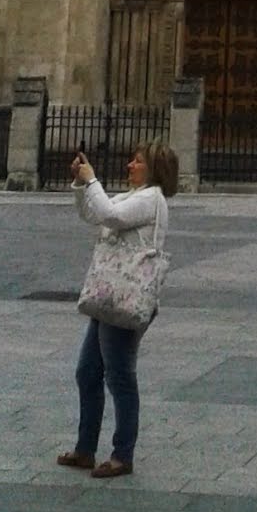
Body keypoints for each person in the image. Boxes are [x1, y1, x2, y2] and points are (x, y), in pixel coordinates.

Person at [56, 141, 179, 480]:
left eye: (137, 162)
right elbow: (95, 213)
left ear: (153, 169)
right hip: (111, 292)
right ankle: (85, 448)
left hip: (125, 296)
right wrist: (82, 185)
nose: (129, 165)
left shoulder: (151, 199)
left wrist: (93, 179)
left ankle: (122, 454)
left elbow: (110, 215)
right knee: (87, 372)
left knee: (120, 376)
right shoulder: (133, 197)